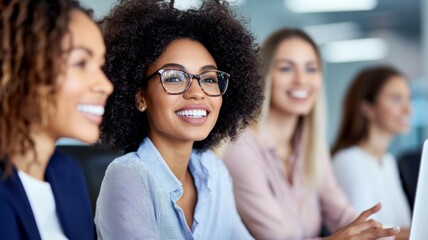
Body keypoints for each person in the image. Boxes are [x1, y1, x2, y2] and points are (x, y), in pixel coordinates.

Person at [94, 0, 263, 239]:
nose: (197, 92)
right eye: (174, 77)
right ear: (140, 97)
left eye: (209, 78)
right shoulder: (128, 176)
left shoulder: (213, 172)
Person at [222, 28, 400, 239]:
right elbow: (277, 237)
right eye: (286, 68)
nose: (301, 80)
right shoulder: (240, 146)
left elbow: (344, 216)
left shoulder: (311, 146)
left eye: (311, 69)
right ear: (263, 76)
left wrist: (386, 233)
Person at [0, 0, 113, 239]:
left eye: (100, 66)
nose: (106, 85)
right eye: (81, 63)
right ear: (23, 68)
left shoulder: (68, 174)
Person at [331, 66, 412, 239]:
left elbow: (402, 224)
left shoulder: (387, 161)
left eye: (408, 99)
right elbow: (369, 233)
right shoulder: (348, 160)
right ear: (367, 108)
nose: (408, 110)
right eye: (397, 99)